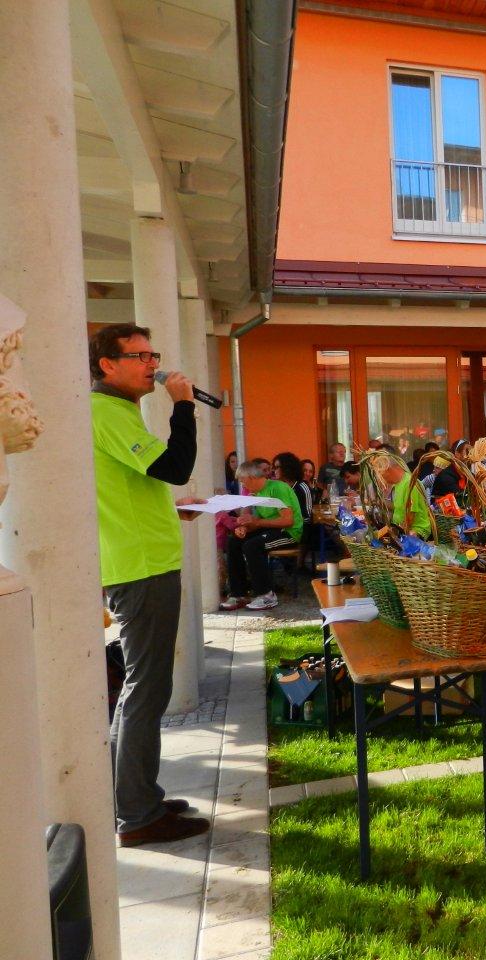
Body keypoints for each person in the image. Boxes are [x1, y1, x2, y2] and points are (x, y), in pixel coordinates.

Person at [90, 323, 210, 846]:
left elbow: (140, 484)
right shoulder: (106, 412)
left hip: (141, 559)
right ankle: (138, 815)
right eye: (138, 356)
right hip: (140, 568)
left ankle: (137, 796)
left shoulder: (117, 412)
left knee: (143, 686)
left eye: (152, 354)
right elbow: (175, 466)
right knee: (146, 688)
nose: (152, 365)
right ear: (106, 365)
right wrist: (183, 406)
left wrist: (170, 509)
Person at [219, 461, 302, 611]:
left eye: (243, 481)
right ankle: (238, 594)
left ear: (251, 477)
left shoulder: (278, 488)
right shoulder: (256, 492)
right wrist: (244, 528)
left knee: (252, 546)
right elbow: (255, 519)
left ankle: (266, 595)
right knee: (233, 541)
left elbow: (288, 521)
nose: (242, 486)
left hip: (289, 532)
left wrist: (257, 523)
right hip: (270, 529)